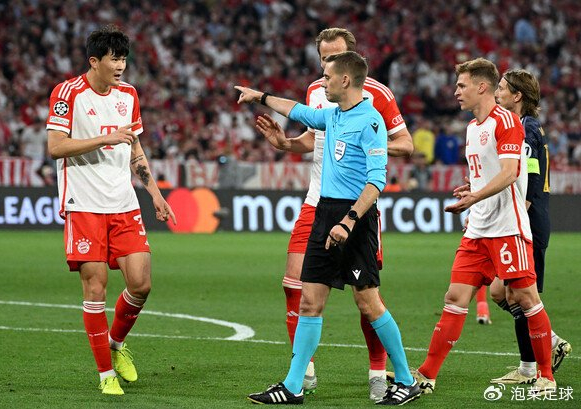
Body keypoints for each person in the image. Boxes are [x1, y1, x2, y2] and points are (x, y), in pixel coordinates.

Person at [236, 51, 421, 406]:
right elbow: (297, 111)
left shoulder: (371, 122)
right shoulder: (333, 115)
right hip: (324, 213)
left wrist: (348, 221)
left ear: (345, 80)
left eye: (327, 76)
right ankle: (293, 386)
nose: (322, 81)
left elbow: (376, 181)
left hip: (356, 218)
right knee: (310, 302)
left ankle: (406, 379)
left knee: (368, 302)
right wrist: (260, 97)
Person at [397, 58, 556, 396]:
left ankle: (545, 375)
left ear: (482, 86)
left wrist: (475, 197)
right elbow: (491, 171)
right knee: (455, 297)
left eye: (461, 85)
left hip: (507, 227)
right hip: (478, 229)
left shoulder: (507, 121)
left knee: (526, 298)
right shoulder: (471, 127)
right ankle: (427, 374)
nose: (456, 92)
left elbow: (511, 172)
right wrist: (473, 188)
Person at [46, 25, 176, 395]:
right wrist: (106, 137)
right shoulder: (67, 93)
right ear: (94, 61)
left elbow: (135, 149)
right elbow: (55, 147)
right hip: (84, 204)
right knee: (96, 287)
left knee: (141, 283)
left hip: (123, 202)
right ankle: (105, 374)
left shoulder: (129, 94)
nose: (120, 66)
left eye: (123, 59)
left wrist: (155, 193)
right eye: (114, 59)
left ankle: (116, 344)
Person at [488, 68, 571, 384]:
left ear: (517, 95)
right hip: (527, 220)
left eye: (501, 88)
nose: (497, 92)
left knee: (519, 295)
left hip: (529, 222)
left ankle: (528, 368)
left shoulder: (527, 128)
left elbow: (531, 180)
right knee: (500, 291)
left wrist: (517, 217)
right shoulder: (522, 125)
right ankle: (550, 341)